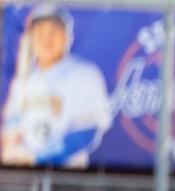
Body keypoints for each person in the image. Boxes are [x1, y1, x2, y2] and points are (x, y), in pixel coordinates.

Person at [1, 4, 111, 167]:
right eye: (40, 32)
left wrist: (37, 158)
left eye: (54, 31)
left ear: (67, 36)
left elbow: (87, 132)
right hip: (26, 180)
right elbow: (10, 125)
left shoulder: (85, 73)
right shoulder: (26, 79)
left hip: (67, 176)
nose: (47, 39)